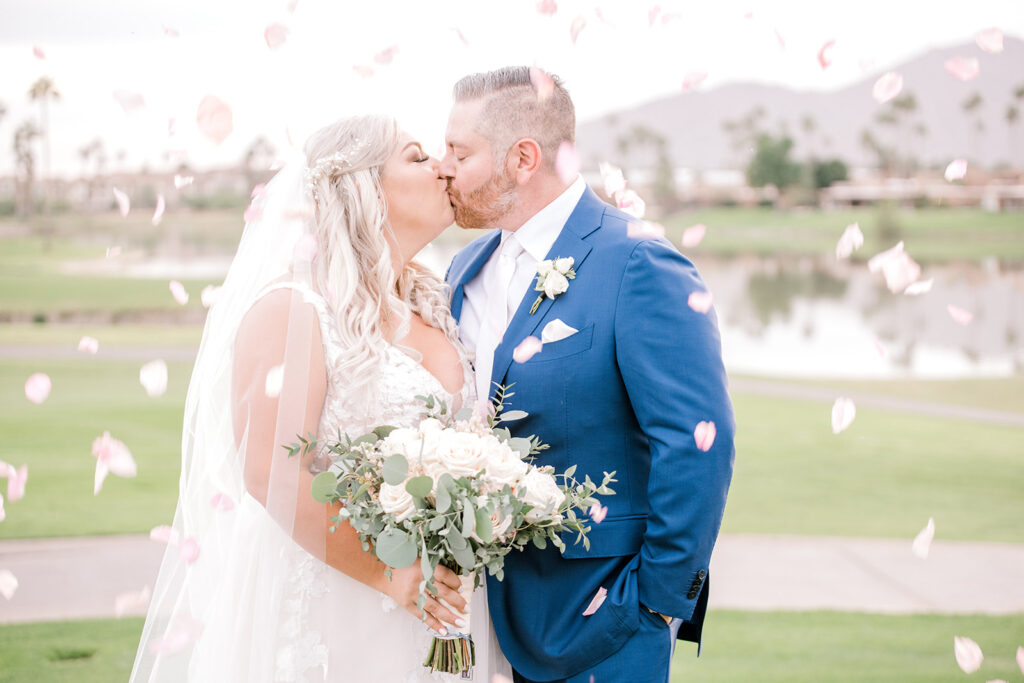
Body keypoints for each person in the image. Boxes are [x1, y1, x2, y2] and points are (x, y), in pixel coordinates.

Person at [131, 114, 512, 682]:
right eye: (415, 157)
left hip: (447, 609)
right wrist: (389, 574)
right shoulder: (291, 308)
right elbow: (269, 472)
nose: (442, 168)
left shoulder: (436, 307)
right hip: (338, 604)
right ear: (359, 186)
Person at [442, 67, 735, 683]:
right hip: (469, 628)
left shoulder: (638, 263)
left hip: (601, 624)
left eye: (459, 152)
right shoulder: (465, 269)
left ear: (522, 158)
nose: (444, 168)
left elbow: (697, 444)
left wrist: (654, 604)